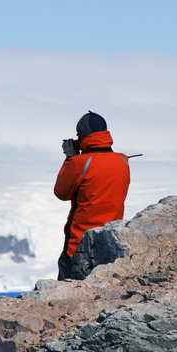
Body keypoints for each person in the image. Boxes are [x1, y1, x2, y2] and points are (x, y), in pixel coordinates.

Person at [54, 111, 130, 281]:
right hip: (110, 239)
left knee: (68, 287)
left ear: (82, 136)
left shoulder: (81, 163)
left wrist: (70, 158)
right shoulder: (123, 161)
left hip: (79, 242)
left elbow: (61, 193)